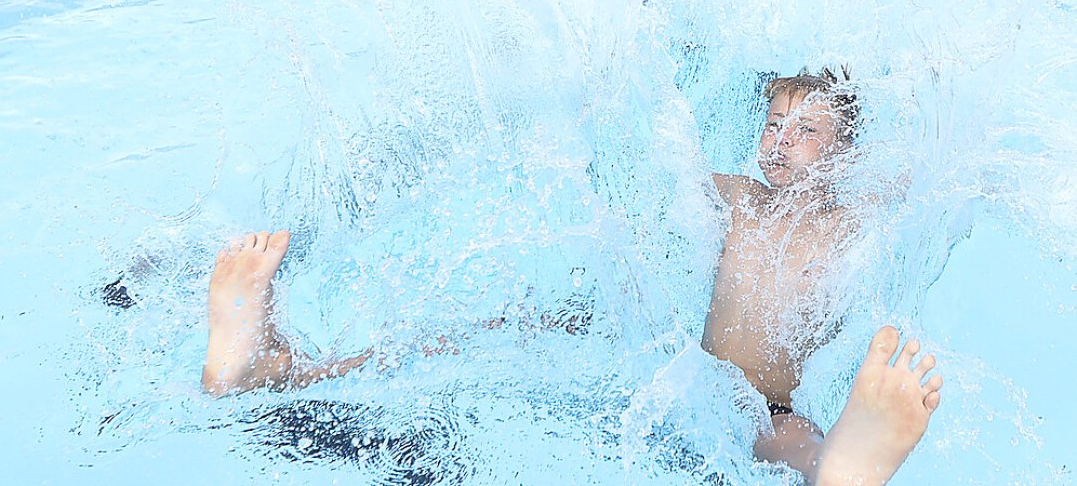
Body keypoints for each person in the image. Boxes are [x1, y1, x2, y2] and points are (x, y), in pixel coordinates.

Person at [200, 71, 945, 486]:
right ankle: (276, 366)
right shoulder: (738, 197)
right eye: (772, 123)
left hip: (761, 403)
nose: (780, 140)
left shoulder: (849, 220)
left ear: (843, 155)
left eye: (805, 130)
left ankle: (844, 472)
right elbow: (662, 166)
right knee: (502, 331)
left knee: (793, 440)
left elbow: (928, 180)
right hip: (678, 364)